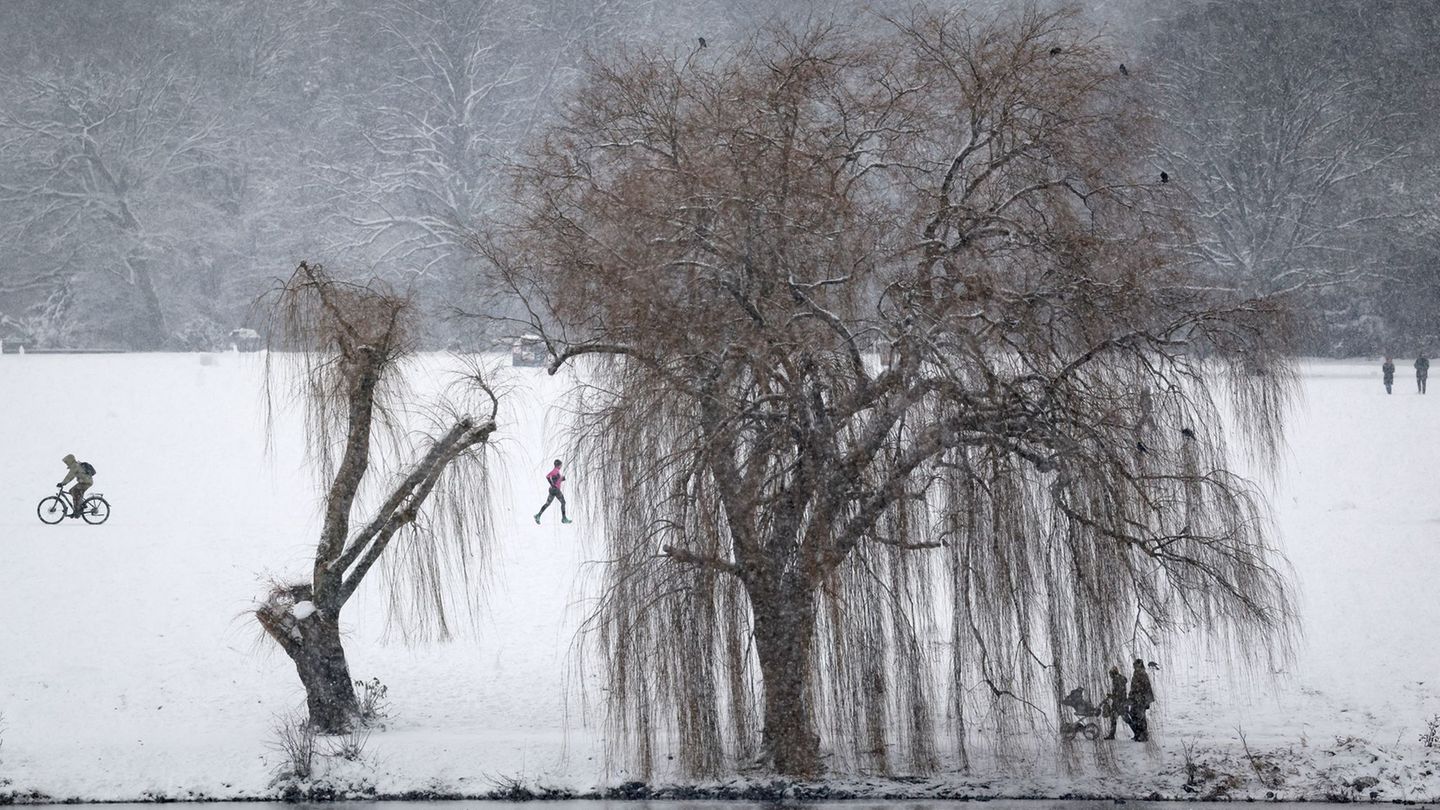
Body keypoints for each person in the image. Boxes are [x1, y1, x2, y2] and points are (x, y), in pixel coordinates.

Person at [57, 453, 95, 518]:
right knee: (71, 490)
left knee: (75, 491)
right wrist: (63, 483)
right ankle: (81, 504)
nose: (66, 463)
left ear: (70, 460)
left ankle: (77, 511)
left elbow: (70, 476)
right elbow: (70, 476)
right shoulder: (75, 465)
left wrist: (63, 483)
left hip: (86, 482)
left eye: (66, 461)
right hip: (84, 482)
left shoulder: (75, 466)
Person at [534, 459, 571, 524]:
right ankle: (564, 518)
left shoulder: (556, 471)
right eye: (561, 465)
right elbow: (548, 476)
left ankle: (538, 515)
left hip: (552, 490)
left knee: (547, 504)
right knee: (563, 502)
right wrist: (552, 484)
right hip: (556, 490)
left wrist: (562, 479)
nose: (561, 466)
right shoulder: (556, 471)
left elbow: (556, 480)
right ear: (558, 465)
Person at [1125, 658, 1154, 741]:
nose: (1134, 667)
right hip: (1135, 699)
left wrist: (1146, 700)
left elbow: (1146, 688)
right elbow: (1133, 687)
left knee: (1141, 717)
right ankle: (1138, 734)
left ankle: (1143, 735)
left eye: (1135, 665)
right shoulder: (1136, 673)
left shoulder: (1143, 674)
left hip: (1141, 699)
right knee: (1133, 714)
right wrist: (1131, 696)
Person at [1102, 664, 1128, 740]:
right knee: (1113, 718)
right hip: (1119, 703)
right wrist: (1112, 696)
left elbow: (1119, 694)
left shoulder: (1117, 680)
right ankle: (1111, 735)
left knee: (1126, 719)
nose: (1110, 676)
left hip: (1120, 703)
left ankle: (1137, 732)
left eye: (1110, 674)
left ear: (1113, 673)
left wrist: (1111, 696)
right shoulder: (1119, 679)